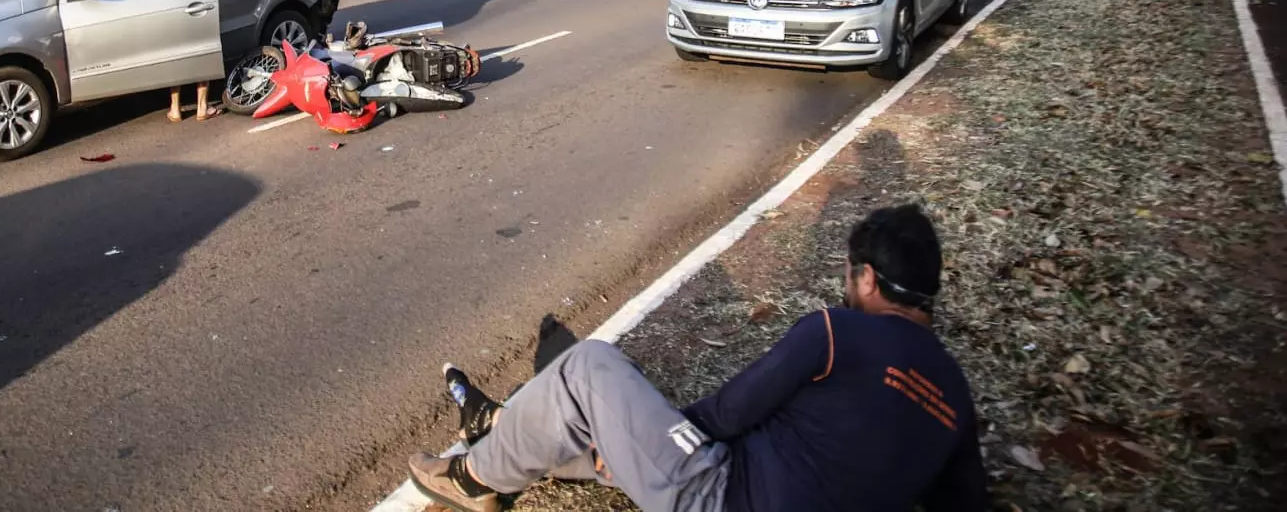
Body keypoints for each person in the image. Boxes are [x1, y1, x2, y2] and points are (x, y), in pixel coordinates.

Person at [408, 204, 988, 512]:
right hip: (748, 486)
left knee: (593, 368)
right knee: (606, 426)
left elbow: (729, 412)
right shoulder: (957, 396)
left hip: (723, 495)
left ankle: (471, 476)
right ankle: (499, 431)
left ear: (864, 278)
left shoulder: (838, 331)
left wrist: (658, 439)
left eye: (847, 274)